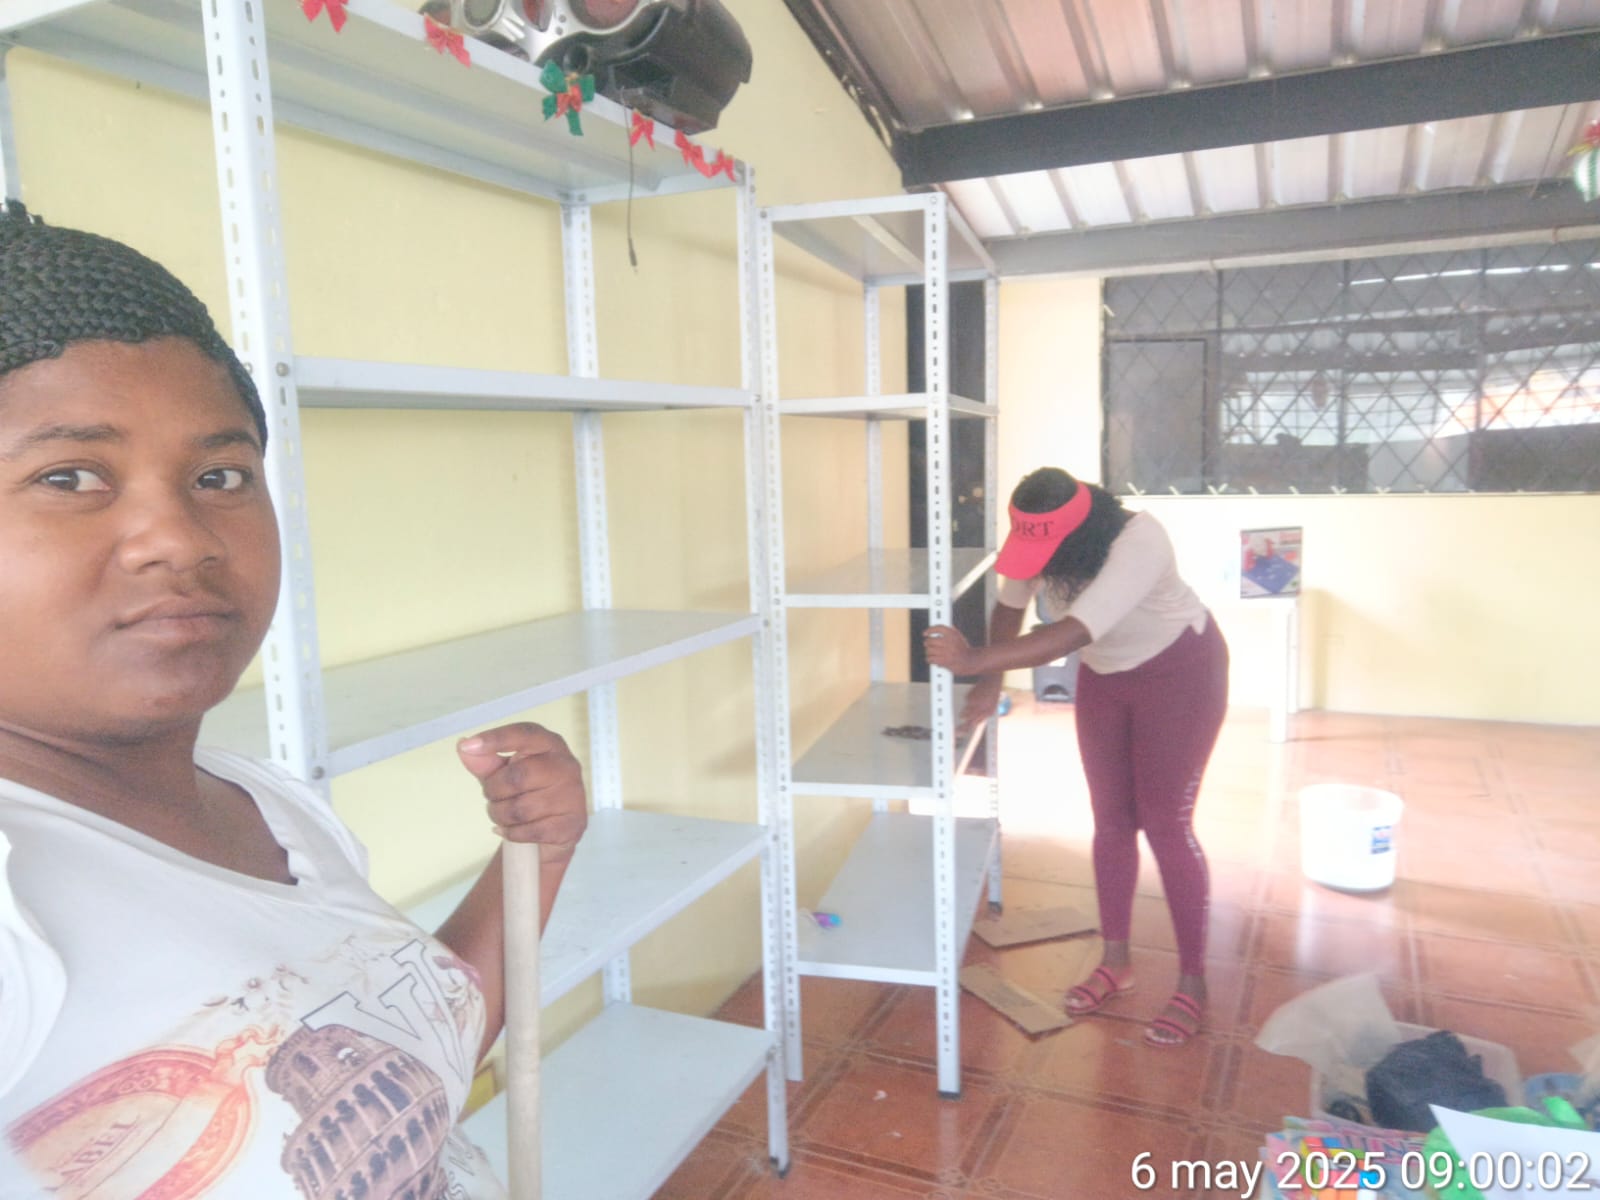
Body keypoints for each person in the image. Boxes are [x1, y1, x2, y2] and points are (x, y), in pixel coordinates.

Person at [0, 203, 587, 1196]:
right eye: (70, 476)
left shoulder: (276, 809)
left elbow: (415, 1056)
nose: (180, 538)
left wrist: (539, 855)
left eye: (219, 473)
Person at [924, 467, 1228, 1048]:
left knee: (1166, 824)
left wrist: (973, 661)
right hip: (1106, 677)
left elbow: (1072, 632)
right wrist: (989, 682)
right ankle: (1116, 963)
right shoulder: (1040, 537)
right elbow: (1010, 607)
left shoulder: (1141, 540)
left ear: (1079, 531)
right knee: (1111, 820)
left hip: (1180, 675)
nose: (1037, 560)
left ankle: (1193, 981)